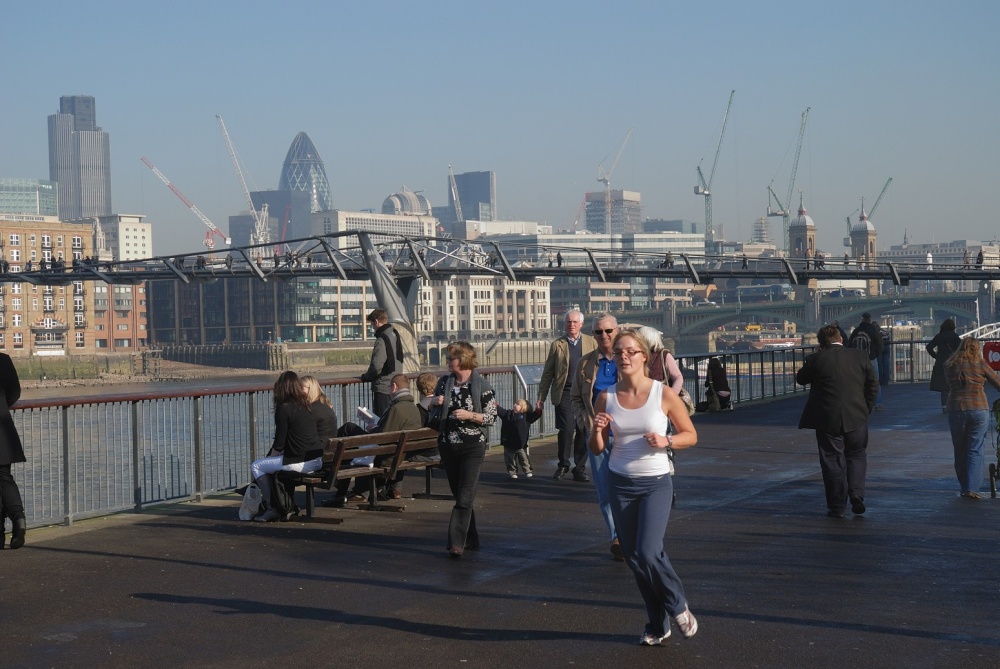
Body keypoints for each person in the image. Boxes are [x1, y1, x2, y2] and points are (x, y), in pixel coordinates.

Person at [589, 329, 699, 644]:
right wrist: (597, 431)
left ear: (643, 357)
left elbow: (690, 434)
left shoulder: (663, 394)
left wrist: (667, 440)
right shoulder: (606, 397)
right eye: (620, 352)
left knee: (649, 551)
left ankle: (678, 606)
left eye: (630, 352)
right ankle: (656, 624)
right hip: (619, 482)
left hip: (655, 483)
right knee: (635, 559)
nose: (623, 356)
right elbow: (596, 448)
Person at [796, 325, 878, 518]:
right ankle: (857, 494)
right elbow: (873, 385)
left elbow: (801, 379)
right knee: (857, 455)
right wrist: (866, 408)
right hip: (857, 417)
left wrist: (817, 356)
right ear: (840, 338)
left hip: (827, 419)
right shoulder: (859, 356)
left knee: (832, 461)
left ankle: (837, 506)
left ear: (821, 343)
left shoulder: (816, 359)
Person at [431, 342, 497, 557]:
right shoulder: (444, 382)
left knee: (465, 494)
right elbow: (432, 409)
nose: (448, 362)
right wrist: (434, 402)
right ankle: (472, 538)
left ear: (463, 360)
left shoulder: (482, 386)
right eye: (448, 358)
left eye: (451, 358)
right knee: (459, 494)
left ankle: (456, 543)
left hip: (472, 445)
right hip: (448, 444)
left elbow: (491, 417)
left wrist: (470, 416)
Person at [571, 312, 623, 560]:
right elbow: (575, 398)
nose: (604, 335)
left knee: (629, 489)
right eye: (598, 332)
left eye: (608, 330)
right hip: (598, 436)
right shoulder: (585, 363)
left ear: (617, 330)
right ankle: (617, 537)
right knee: (605, 492)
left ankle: (631, 534)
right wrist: (585, 422)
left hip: (627, 437)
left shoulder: (631, 359)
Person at [327, 374, 425, 506]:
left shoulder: (396, 409)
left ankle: (331, 472)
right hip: (400, 454)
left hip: (386, 456)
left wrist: (373, 428)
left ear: (394, 387)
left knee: (347, 430)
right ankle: (350, 489)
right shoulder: (413, 408)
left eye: (390, 387)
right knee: (347, 443)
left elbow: (382, 438)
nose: (389, 390)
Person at [250, 371, 324, 522]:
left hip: (299, 462)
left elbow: (279, 443)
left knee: (257, 466)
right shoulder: (306, 406)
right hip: (316, 460)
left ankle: (272, 507)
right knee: (271, 465)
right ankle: (280, 504)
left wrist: (270, 458)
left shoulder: (284, 408)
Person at [538, 310, 596, 482]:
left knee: (583, 429)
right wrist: (541, 396)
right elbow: (548, 373)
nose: (571, 325)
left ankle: (579, 468)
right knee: (566, 429)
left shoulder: (591, 342)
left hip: (584, 393)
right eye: (568, 322)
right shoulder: (558, 344)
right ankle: (563, 465)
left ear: (581, 324)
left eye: (574, 322)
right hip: (564, 392)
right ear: (564, 324)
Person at [944, 337, 1000, 499]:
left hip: (956, 409)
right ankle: (972, 488)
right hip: (979, 408)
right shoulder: (980, 364)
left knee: (960, 449)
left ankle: (964, 486)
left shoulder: (949, 365)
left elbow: (951, 384)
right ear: (977, 348)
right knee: (975, 448)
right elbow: (997, 383)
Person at [0, 353, 27, 549]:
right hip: (2, 427)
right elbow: (14, 393)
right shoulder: (4, 360)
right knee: (4, 477)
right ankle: (19, 519)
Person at [360, 308, 404, 416]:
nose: (373, 328)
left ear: (376, 321)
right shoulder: (395, 334)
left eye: (372, 324)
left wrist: (366, 377)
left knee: (382, 420)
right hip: (397, 384)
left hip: (383, 387)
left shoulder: (381, 339)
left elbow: (376, 366)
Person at [848, 313, 884, 410]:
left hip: (858, 360)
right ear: (869, 319)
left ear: (862, 319)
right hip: (871, 359)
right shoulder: (874, 330)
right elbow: (880, 345)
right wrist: (875, 355)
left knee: (859, 382)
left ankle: (860, 403)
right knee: (875, 382)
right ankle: (878, 403)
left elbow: (849, 344)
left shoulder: (856, 331)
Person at [927, 319, 962, 413]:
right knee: (954, 384)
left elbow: (929, 347)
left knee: (943, 386)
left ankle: (944, 406)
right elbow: (961, 349)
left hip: (941, 363)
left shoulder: (939, 336)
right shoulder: (955, 336)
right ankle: (955, 405)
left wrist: (936, 356)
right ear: (952, 327)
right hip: (953, 362)